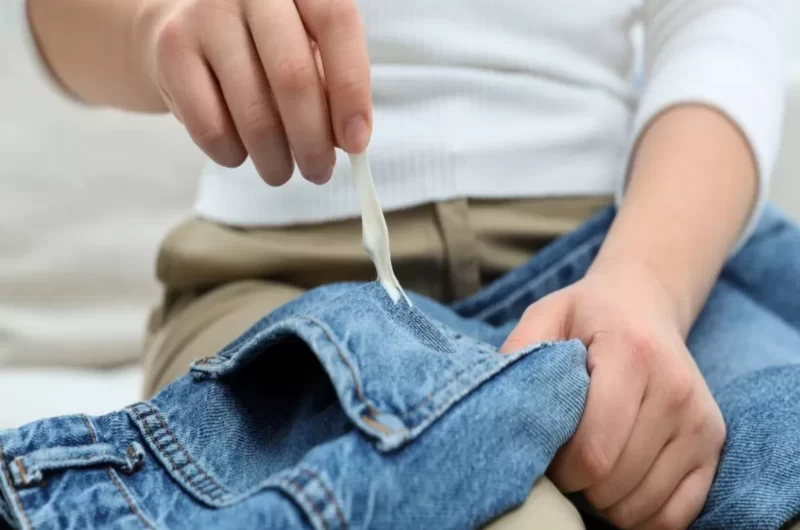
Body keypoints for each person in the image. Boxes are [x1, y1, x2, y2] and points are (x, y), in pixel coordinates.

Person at [21, 0, 786, 528]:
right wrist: (160, 23)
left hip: (629, 256)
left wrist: (650, 278)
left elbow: (725, 22)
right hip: (284, 278)